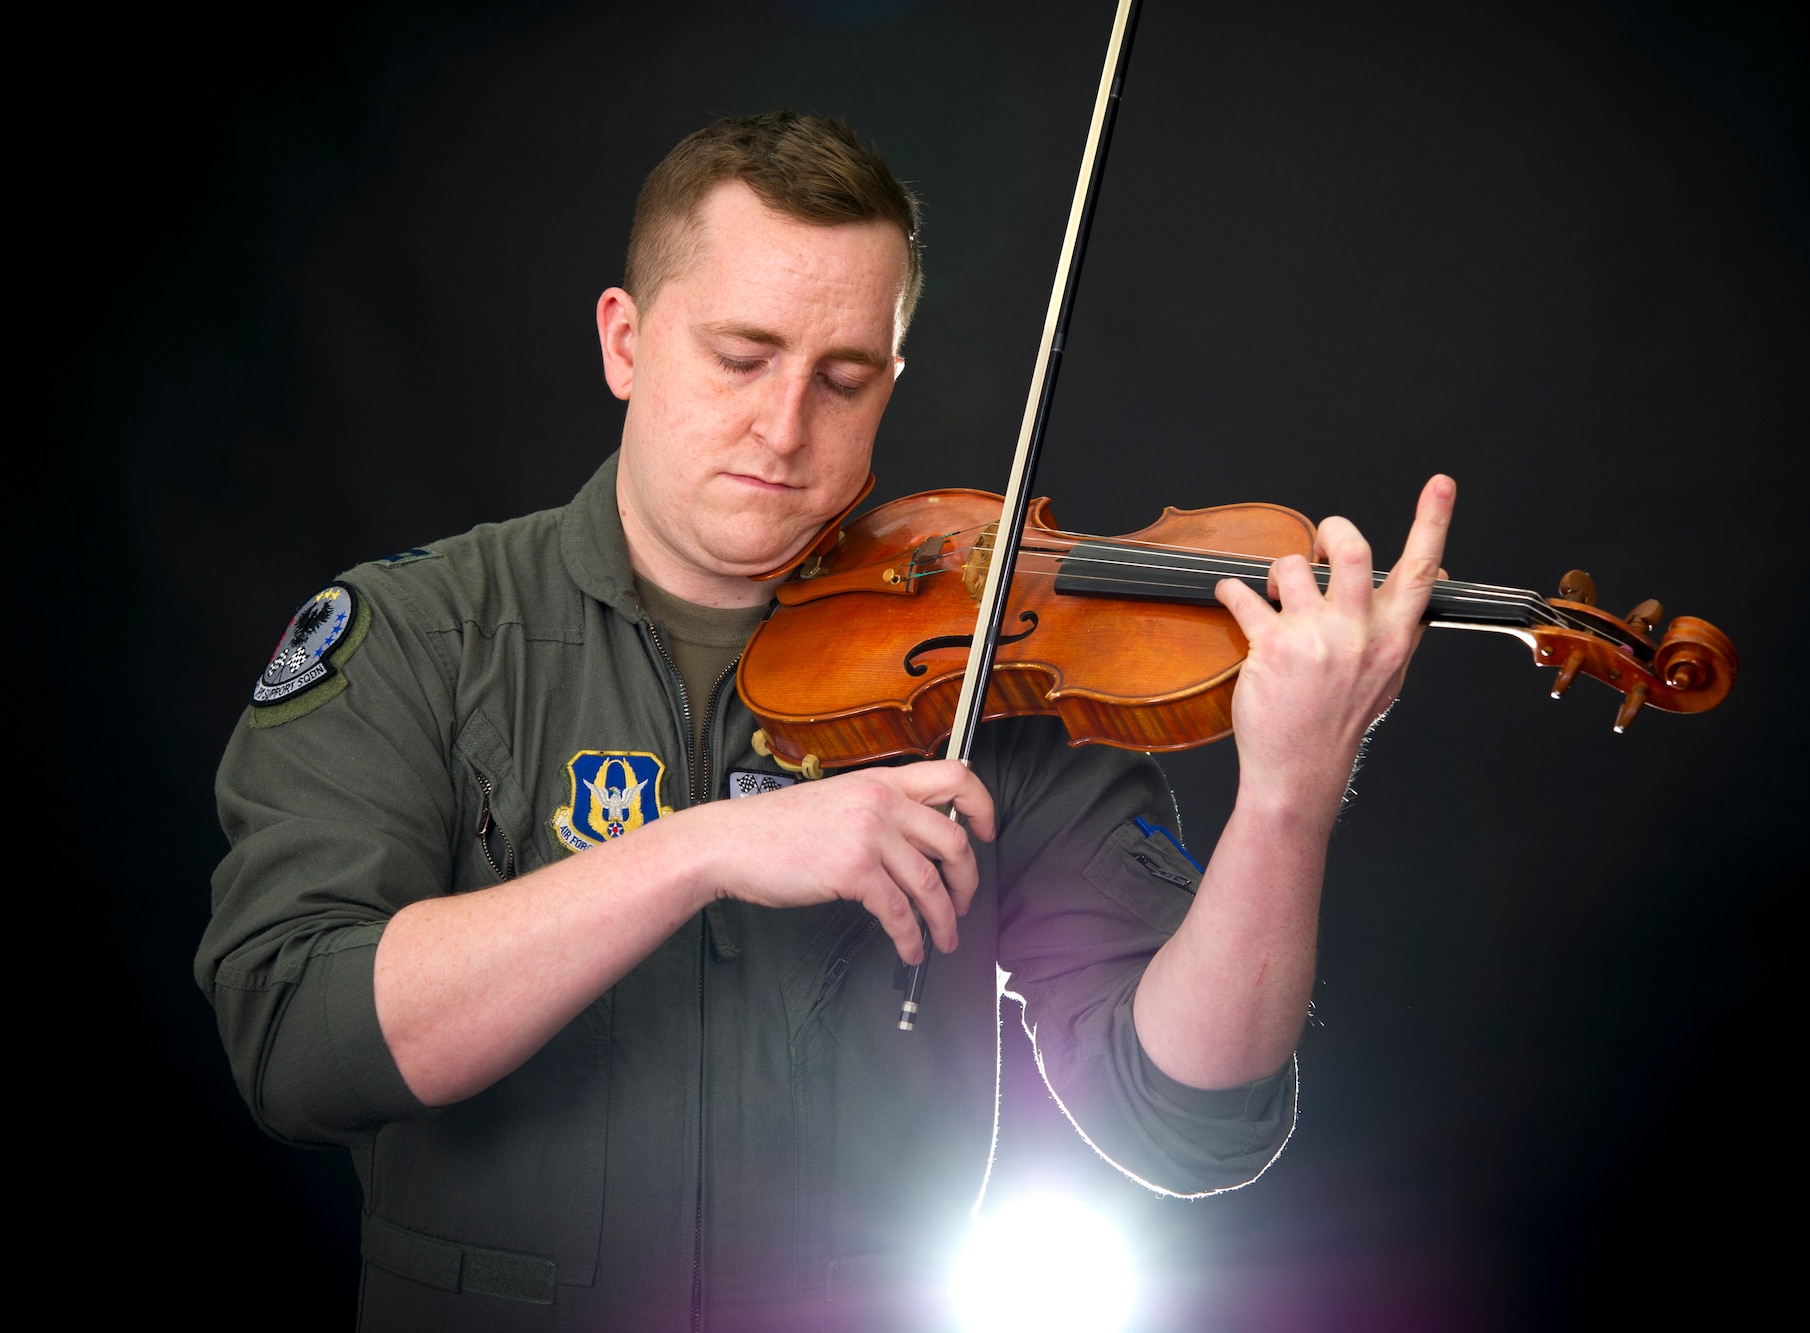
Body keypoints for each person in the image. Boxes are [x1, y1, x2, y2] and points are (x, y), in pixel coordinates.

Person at [199, 111, 1454, 1331]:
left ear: (888, 383)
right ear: (625, 341)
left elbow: (1183, 1119)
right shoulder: (416, 632)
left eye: (842, 378)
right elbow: (299, 1048)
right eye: (740, 358)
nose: (785, 427)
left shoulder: (987, 672)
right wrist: (697, 851)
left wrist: (1287, 798)